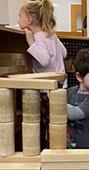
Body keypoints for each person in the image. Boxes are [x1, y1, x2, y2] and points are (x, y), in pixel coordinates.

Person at [18, 0, 67, 149]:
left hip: (47, 90)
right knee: (58, 122)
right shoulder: (51, 35)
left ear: (29, 20)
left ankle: (50, 148)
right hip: (60, 87)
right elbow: (64, 53)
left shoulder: (38, 36)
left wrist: (30, 42)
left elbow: (44, 60)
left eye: (19, 16)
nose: (18, 20)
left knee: (48, 124)